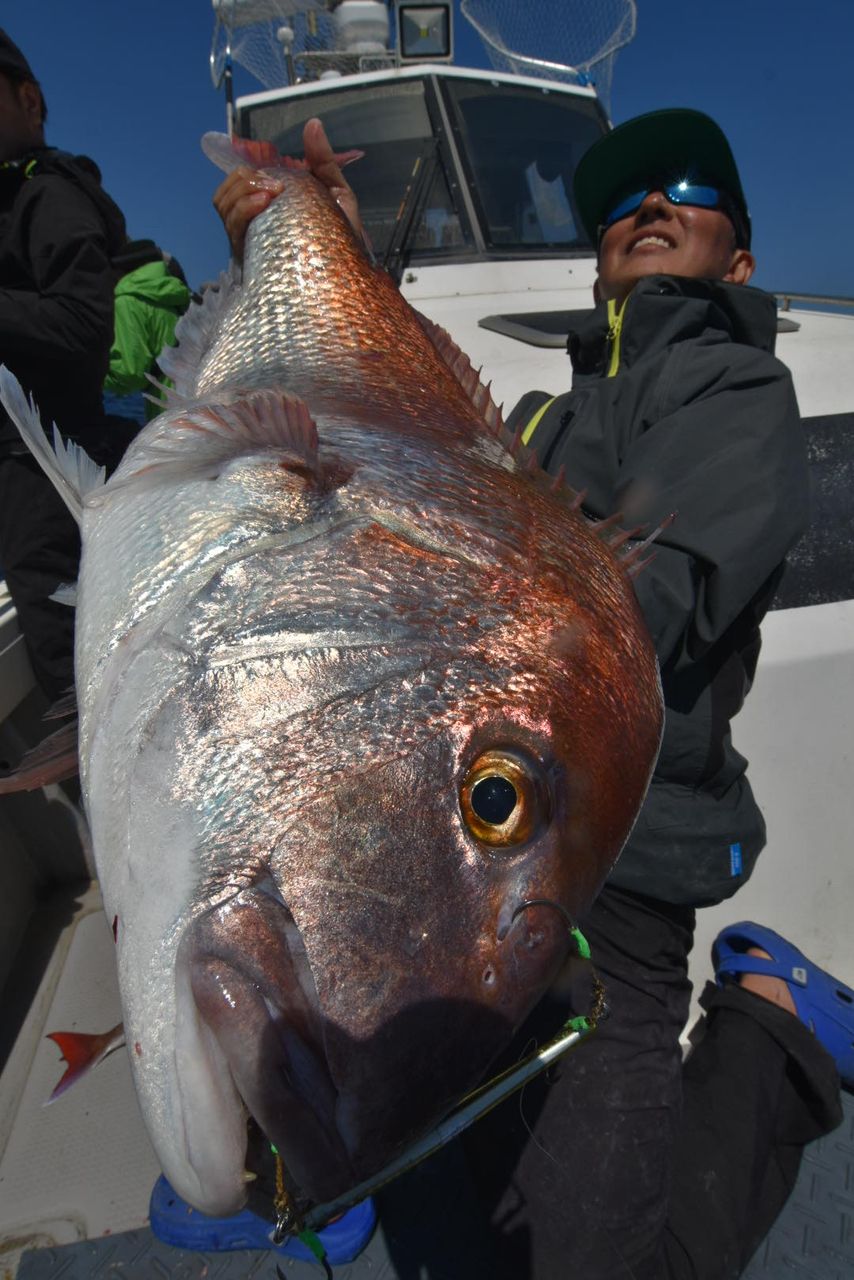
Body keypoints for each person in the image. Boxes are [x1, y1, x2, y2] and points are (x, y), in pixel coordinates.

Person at [213, 113, 852, 1278]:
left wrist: (443, 608)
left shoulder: (737, 390)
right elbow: (414, 452)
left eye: (685, 190)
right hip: (484, 853)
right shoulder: (545, 415)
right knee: (426, 1182)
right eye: (618, 204)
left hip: (630, 860)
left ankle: (775, 1028)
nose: (647, 206)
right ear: (600, 255)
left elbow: (629, 623)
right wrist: (335, 258)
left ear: (740, 262)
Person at [0, 28, 126, 701]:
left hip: (40, 474)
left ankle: (95, 798)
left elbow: (83, 326)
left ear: (29, 101)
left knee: (73, 682)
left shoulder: (47, 197)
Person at [105, 237, 194, 424]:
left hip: (168, 411)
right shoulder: (178, 296)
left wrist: (89, 376)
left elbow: (129, 375)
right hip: (197, 399)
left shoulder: (128, 300)